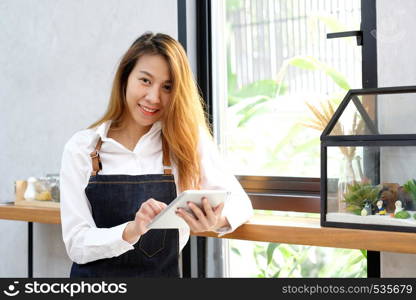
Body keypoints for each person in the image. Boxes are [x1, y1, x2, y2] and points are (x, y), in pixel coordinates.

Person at [59, 32, 254, 278]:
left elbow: (241, 203)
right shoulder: (82, 148)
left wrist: (215, 220)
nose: (154, 97)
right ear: (125, 78)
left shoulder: (184, 142)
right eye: (145, 81)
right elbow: (77, 244)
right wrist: (132, 230)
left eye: (167, 87)